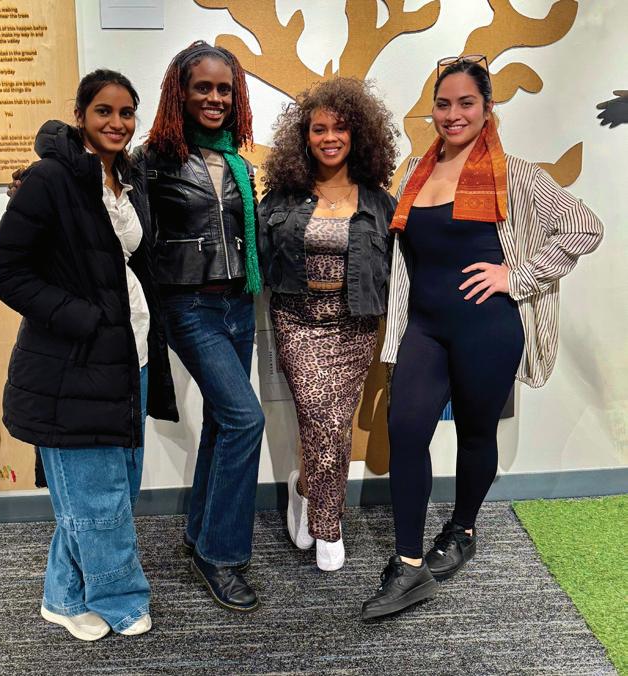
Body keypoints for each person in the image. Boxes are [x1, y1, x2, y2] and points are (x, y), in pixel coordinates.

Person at [360, 56, 603, 620]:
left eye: (466, 103)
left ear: (487, 108)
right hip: (424, 327)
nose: (453, 114)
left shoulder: (515, 174)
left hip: (488, 327)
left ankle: (462, 529)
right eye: (443, 103)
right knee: (407, 429)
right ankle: (409, 565)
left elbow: (585, 227)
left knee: (474, 434)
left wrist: (515, 276)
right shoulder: (414, 173)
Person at [0, 69, 178, 639]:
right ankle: (122, 601)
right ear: (80, 116)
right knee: (97, 500)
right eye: (104, 111)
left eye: (126, 112)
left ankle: (62, 596)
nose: (117, 123)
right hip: (74, 365)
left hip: (131, 359)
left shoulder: (129, 178)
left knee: (111, 490)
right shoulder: (51, 179)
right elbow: (5, 270)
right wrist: (80, 318)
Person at [132, 41, 264, 611]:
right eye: (203, 87)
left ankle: (199, 533)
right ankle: (221, 555)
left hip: (239, 305)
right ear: (179, 93)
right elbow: (107, 202)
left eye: (224, 89)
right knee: (246, 420)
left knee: (223, 421)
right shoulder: (152, 159)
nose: (215, 98)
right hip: (188, 306)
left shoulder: (239, 162)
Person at [258, 78, 398, 571]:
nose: (330, 137)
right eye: (319, 129)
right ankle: (328, 525)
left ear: (358, 134)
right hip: (298, 321)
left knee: (333, 425)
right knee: (321, 416)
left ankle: (305, 491)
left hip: (354, 325)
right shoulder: (282, 197)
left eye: (340, 128)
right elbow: (258, 254)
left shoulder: (378, 201)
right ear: (305, 136)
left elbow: (398, 269)